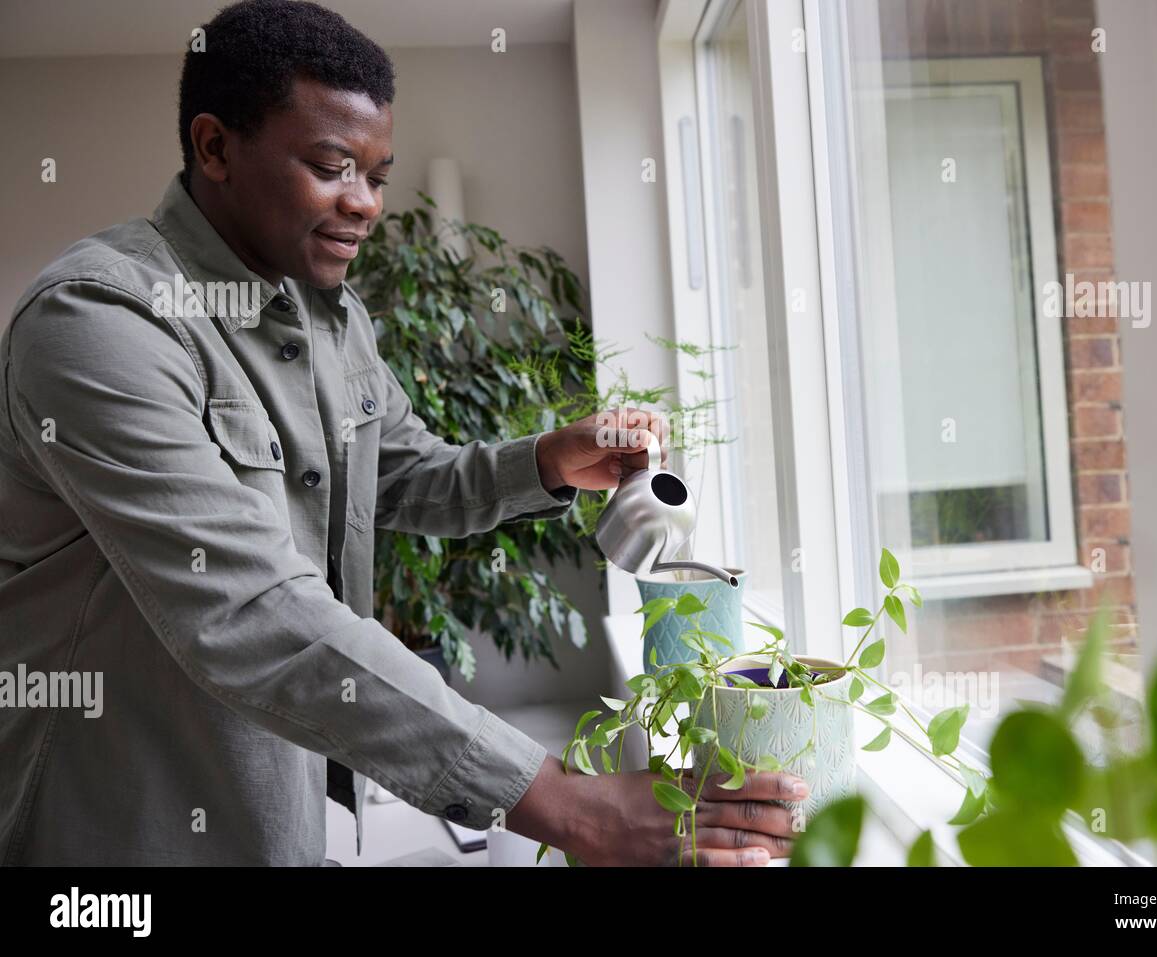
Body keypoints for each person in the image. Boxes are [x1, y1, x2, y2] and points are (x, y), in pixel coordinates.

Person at [0, 0, 804, 867]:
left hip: (286, 822)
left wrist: (544, 461)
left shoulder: (332, 317)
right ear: (214, 146)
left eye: (378, 175)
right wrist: (569, 805)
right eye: (331, 166)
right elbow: (248, 606)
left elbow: (401, 476)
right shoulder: (97, 321)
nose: (366, 203)